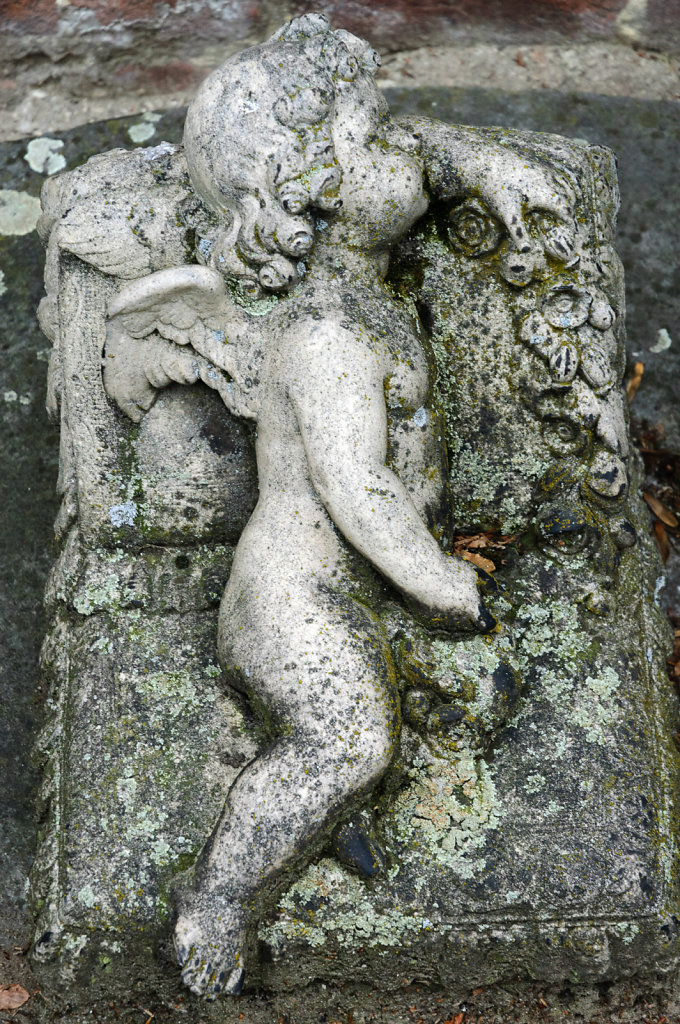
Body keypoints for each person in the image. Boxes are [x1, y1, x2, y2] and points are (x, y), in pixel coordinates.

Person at [107, 14, 572, 1000]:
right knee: (347, 734)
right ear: (307, 190)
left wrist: (468, 160)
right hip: (292, 602)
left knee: (351, 737)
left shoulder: (359, 298)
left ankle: (321, 813)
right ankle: (220, 895)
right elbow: (355, 488)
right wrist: (435, 579)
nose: (397, 149)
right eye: (367, 136)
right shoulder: (322, 335)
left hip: (330, 593)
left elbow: (418, 167)